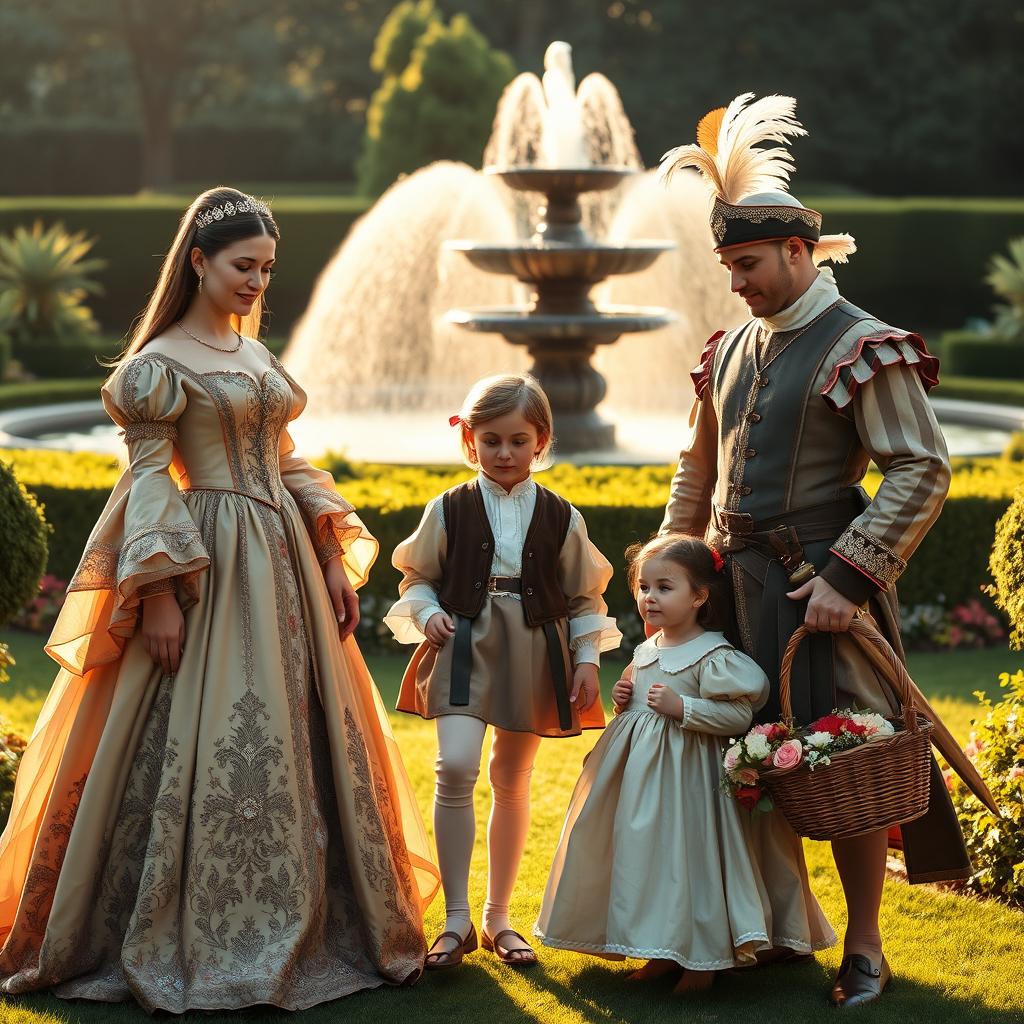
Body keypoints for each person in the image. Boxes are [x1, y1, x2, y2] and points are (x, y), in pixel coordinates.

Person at [0, 187, 439, 1012]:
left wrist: (333, 554)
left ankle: (320, 919)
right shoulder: (156, 366)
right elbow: (147, 485)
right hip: (208, 564)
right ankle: (185, 923)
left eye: (268, 269)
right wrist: (160, 596)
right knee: (211, 728)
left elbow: (287, 459)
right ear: (198, 261)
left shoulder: (255, 355)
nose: (256, 282)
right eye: (243, 266)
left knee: (302, 733)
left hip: (287, 568)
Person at [656, 95, 971, 1007]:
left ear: (799, 252)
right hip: (725, 595)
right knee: (737, 764)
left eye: (748, 265)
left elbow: (923, 468)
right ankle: (765, 933)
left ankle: (865, 947)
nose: (737, 285)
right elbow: (696, 468)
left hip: (817, 593)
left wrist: (848, 575)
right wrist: (676, 557)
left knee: (840, 764)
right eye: (728, 267)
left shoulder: (862, 345)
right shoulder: (727, 349)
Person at [384, 373, 620, 969]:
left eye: (518, 440)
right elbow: (418, 578)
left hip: (535, 649)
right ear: (469, 441)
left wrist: (587, 661)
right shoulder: (450, 507)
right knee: (456, 764)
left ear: (540, 440)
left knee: (513, 777)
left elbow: (587, 598)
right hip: (463, 643)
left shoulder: (563, 515)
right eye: (491, 440)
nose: (505, 453)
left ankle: (498, 919)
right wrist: (430, 612)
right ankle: (456, 920)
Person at [535, 533, 834, 995]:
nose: (649, 597)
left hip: (691, 786)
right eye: (643, 587)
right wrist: (624, 699)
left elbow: (739, 712)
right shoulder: (646, 650)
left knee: (692, 866)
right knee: (649, 863)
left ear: (699, 596)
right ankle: (660, 949)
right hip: (640, 786)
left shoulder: (714, 655)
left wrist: (685, 709)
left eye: (664, 587)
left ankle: (703, 959)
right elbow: (639, 708)